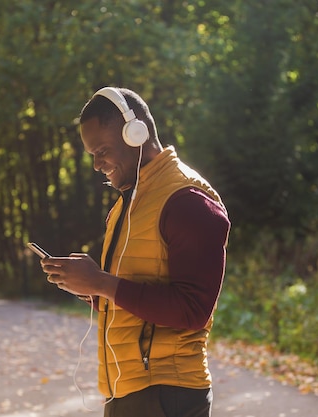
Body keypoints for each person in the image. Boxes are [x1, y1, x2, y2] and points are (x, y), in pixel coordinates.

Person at [40, 87, 230, 417]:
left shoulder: (187, 201)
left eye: (102, 150)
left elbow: (192, 310)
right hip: (126, 390)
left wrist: (101, 283)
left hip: (166, 392)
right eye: (91, 155)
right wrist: (89, 288)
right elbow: (139, 291)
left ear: (135, 132)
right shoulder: (129, 203)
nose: (97, 164)